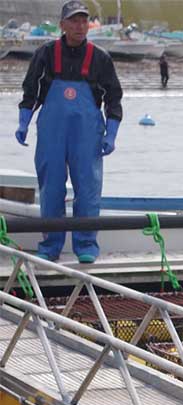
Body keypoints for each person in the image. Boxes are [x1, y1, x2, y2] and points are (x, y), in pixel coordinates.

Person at [15, 0, 122, 264]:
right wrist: (23, 123)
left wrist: (111, 134)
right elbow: (30, 91)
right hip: (52, 129)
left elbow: (114, 98)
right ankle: (50, 245)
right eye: (73, 20)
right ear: (62, 25)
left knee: (87, 188)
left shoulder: (100, 58)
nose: (79, 25)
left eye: (83, 20)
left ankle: (86, 244)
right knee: (51, 187)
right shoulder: (46, 53)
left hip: (87, 132)